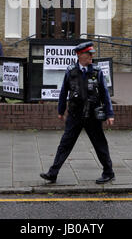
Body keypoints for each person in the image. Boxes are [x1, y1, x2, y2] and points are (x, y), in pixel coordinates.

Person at [40, 41, 115, 184]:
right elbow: (63, 92)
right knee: (65, 144)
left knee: (100, 144)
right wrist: (61, 110)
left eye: (92, 54)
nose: (92, 56)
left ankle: (108, 172)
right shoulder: (71, 71)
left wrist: (110, 114)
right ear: (80, 55)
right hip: (75, 115)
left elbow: (105, 94)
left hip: (92, 115)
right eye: (89, 54)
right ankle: (53, 173)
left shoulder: (97, 72)